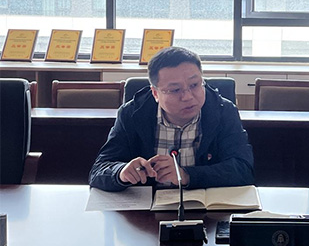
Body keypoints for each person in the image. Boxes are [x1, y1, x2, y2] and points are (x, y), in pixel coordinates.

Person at [89, 46, 254, 191]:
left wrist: (186, 175)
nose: (187, 96)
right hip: (147, 210)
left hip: (205, 209)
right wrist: (120, 172)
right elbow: (98, 171)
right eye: (175, 90)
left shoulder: (223, 111)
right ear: (155, 93)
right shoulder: (132, 114)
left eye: (194, 85)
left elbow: (243, 170)